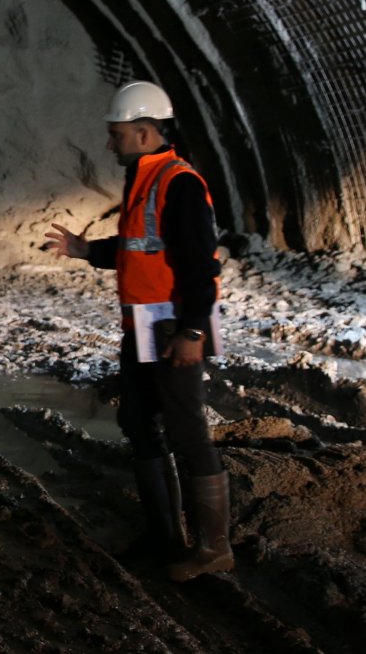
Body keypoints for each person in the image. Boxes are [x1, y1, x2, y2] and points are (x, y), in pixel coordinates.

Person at [45, 80, 233, 582]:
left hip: (173, 324)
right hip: (143, 323)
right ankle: (164, 537)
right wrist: (88, 252)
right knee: (139, 424)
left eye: (117, 134)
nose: (111, 144)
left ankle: (214, 549)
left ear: (145, 133)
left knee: (187, 431)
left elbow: (201, 266)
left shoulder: (181, 182)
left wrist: (193, 331)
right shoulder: (145, 178)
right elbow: (138, 247)